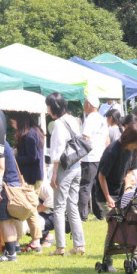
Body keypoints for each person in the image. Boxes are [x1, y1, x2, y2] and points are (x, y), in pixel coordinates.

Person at [46, 92, 86, 256]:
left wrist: (54, 173)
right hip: (76, 166)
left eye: (48, 105)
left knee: (59, 207)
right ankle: (79, 244)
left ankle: (60, 247)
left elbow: (57, 149)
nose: (47, 109)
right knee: (72, 206)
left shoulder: (58, 124)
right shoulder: (73, 119)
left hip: (64, 168)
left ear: (53, 107)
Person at [11, 112, 45, 253]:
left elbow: (33, 158)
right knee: (29, 208)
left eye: (13, 123)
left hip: (32, 177)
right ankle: (35, 239)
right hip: (31, 176)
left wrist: (15, 159)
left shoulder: (30, 135)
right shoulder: (33, 133)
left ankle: (36, 240)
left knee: (29, 208)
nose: (13, 126)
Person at [0, 141, 24, 262]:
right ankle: (12, 250)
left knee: (4, 222)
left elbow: (0, 166)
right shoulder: (5, 143)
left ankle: (10, 253)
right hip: (13, 185)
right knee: (10, 222)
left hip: (5, 186)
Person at [78, 95, 108, 222]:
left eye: (85, 103)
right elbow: (107, 139)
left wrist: (79, 155)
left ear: (89, 105)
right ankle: (100, 214)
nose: (83, 106)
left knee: (85, 186)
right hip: (101, 156)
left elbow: (85, 138)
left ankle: (82, 215)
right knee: (97, 186)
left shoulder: (90, 118)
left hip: (90, 158)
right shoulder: (102, 118)